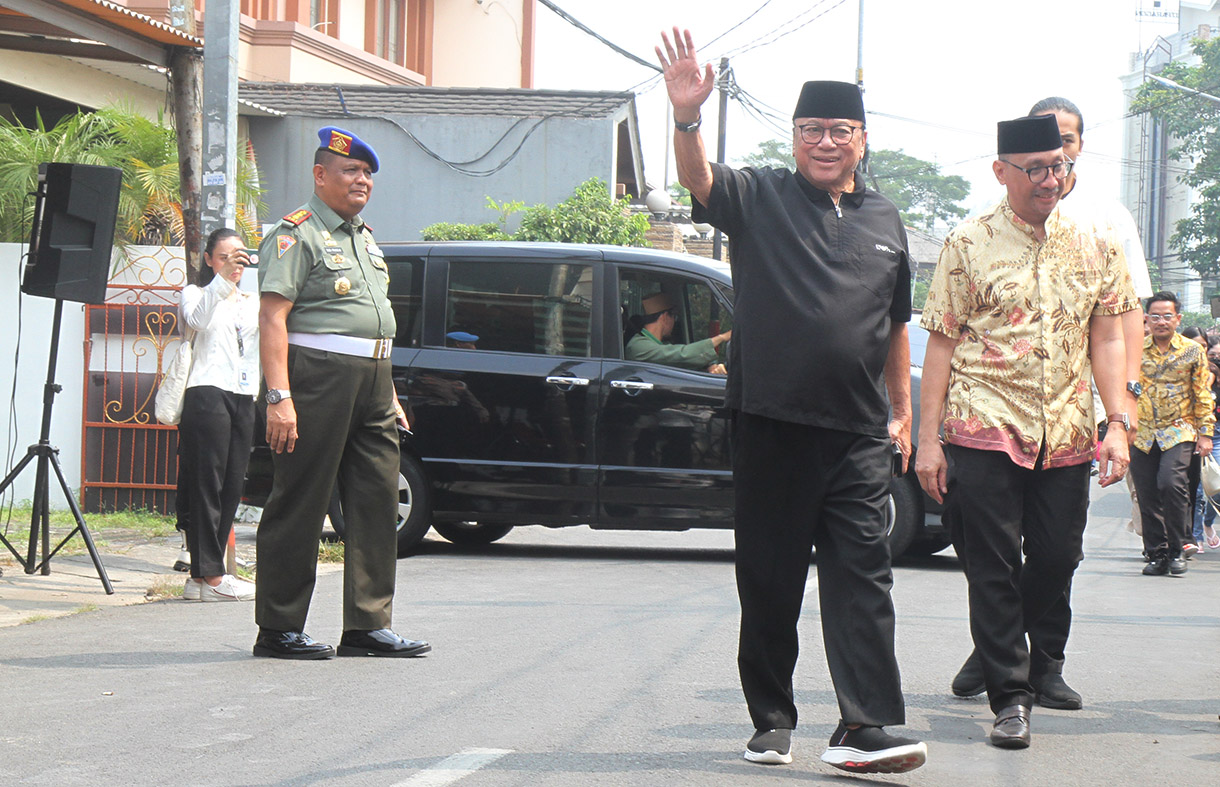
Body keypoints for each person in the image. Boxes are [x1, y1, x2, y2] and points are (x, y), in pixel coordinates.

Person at [657, 28, 926, 774]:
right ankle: (772, 716)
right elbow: (699, 179)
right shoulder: (760, 195)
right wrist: (685, 115)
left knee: (863, 576)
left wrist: (900, 410)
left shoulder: (885, 220)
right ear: (796, 136)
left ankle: (866, 722)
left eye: (841, 130)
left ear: (863, 138)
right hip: (772, 421)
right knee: (770, 579)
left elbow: (894, 325)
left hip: (859, 432)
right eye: (813, 130)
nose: (826, 142)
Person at [916, 114, 1136, 750]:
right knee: (989, 565)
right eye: (1035, 169)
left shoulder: (1098, 240)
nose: (1050, 179)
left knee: (1060, 554)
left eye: (1059, 165)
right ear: (1000, 172)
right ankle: (1011, 697)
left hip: (1065, 430)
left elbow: (1107, 338)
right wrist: (928, 441)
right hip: (982, 423)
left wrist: (1116, 422)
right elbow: (940, 347)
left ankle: (1009, 654)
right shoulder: (967, 242)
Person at [253, 126, 429, 660]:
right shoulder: (296, 234)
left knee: (376, 498)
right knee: (302, 498)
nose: (362, 181)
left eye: (368, 174)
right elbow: (272, 317)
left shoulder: (365, 237)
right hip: (317, 376)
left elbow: (374, 324)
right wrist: (278, 396)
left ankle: (367, 625)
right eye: (351, 170)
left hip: (374, 379)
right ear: (320, 175)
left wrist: (390, 388)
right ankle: (279, 628)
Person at [177, 228, 260, 602]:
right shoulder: (196, 293)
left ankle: (200, 579)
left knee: (232, 482)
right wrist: (222, 281)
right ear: (209, 259)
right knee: (206, 482)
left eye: (239, 256)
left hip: (244, 393)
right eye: (224, 256)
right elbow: (196, 321)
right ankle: (210, 575)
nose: (233, 263)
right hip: (207, 390)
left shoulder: (252, 301)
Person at [1129, 292, 1215, 576]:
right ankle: (1157, 553)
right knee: (1147, 492)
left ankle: (1179, 548)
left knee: (1171, 483)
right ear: (1146, 319)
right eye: (1155, 316)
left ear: (1178, 319)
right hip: (1142, 432)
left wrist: (1205, 434)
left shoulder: (1193, 351)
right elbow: (1124, 388)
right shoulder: (1135, 350)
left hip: (1180, 429)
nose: (1161, 321)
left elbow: (1202, 393)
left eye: (1167, 316)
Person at [624, 293, 730, 374]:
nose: (675, 322)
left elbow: (681, 361)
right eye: (674, 317)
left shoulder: (657, 344)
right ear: (665, 317)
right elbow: (680, 354)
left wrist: (710, 366)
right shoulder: (638, 346)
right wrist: (723, 337)